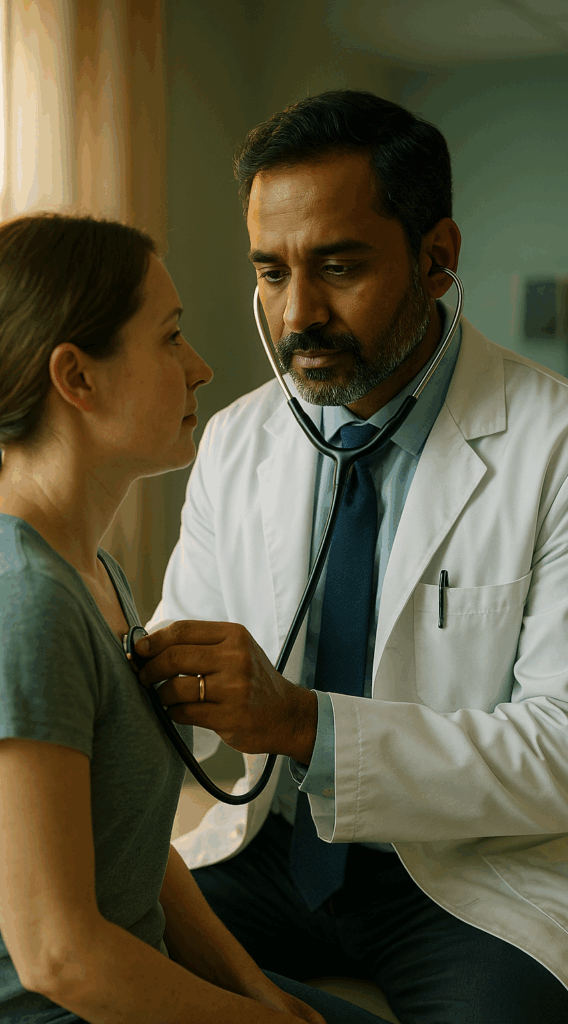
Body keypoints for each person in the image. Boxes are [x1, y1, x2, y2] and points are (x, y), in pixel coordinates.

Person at [140, 91, 568, 1024]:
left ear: (436, 259)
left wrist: (306, 723)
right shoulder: (235, 441)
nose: (297, 311)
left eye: (338, 267)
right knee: (83, 980)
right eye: (270, 271)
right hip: (274, 848)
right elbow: (192, 697)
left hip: (491, 868)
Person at [0, 212, 388, 1024]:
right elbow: (59, 957)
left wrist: (256, 991)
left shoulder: (93, 572)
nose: (202, 368)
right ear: (78, 378)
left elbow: (135, 848)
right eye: (170, 339)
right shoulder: (26, 602)